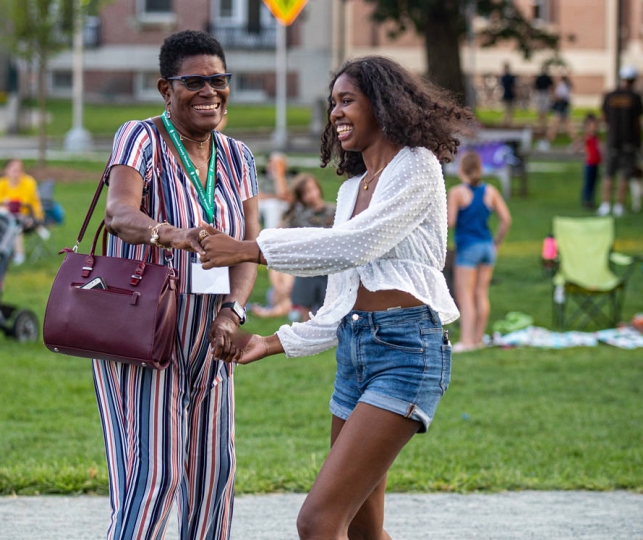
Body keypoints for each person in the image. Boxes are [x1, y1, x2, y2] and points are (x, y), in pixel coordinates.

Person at [199, 56, 472, 540]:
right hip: (355, 354)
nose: (336, 113)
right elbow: (339, 306)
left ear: (382, 104)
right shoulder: (350, 192)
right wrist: (272, 341)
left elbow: (355, 244)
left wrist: (251, 248)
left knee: (318, 521)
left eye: (347, 101)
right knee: (364, 531)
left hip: (407, 354)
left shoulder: (417, 168)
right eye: (332, 103)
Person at [97, 30, 259, 540]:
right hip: (147, 332)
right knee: (154, 477)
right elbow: (118, 212)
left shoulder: (238, 157)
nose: (210, 91)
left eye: (219, 80)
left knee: (214, 479)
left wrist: (234, 312)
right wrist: (173, 235)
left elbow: (250, 247)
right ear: (166, 89)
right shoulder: (141, 137)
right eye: (194, 82)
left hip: (212, 336)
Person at [447, 152, 512, 352]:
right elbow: (506, 220)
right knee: (481, 294)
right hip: (487, 247)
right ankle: (478, 339)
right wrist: (496, 243)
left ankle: (467, 341)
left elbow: (450, 222)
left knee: (464, 295)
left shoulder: (457, 192)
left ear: (461, 169)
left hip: (468, 248)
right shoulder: (490, 191)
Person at [281, 173, 336, 322]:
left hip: (329, 268)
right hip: (307, 269)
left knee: (330, 308)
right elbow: (284, 237)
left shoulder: (334, 211)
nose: (312, 194)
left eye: (313, 189)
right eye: (306, 193)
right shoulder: (298, 217)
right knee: (305, 308)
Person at [598, 65, 643, 217]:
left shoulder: (610, 96)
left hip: (612, 140)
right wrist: (639, 141)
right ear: (633, 80)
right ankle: (619, 206)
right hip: (629, 141)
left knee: (609, 174)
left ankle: (605, 205)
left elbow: (604, 118)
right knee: (624, 174)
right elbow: (638, 122)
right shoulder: (635, 97)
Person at [252, 152, 294, 318]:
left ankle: (272, 237)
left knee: (274, 205)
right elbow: (257, 198)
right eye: (271, 163)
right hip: (269, 216)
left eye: (277, 163)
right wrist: (276, 197)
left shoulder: (291, 179)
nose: (272, 166)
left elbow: (286, 196)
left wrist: (279, 175)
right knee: (271, 205)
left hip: (285, 223)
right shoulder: (261, 180)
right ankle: (272, 237)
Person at [0, 159, 46, 265]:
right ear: (6, 170)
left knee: (15, 223)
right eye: (14, 170)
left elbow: (24, 203)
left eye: (20, 170)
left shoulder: (29, 182)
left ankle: (19, 254)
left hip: (30, 217)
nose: (17, 173)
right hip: (7, 216)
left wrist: (8, 202)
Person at [546, 75, 577, 147]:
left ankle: (548, 141)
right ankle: (576, 141)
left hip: (561, 109)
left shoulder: (562, 85)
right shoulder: (564, 85)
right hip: (563, 108)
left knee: (554, 126)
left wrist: (553, 94)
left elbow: (560, 96)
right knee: (567, 126)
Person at [580, 113, 602, 209]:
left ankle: (591, 200)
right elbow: (578, 145)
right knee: (588, 183)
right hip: (589, 163)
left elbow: (601, 149)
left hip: (596, 163)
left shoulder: (597, 138)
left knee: (593, 183)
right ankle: (586, 200)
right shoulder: (587, 137)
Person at [534, 64, 554, 133]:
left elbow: (535, 86)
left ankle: (542, 126)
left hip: (542, 94)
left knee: (542, 111)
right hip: (543, 94)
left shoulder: (542, 77)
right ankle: (542, 126)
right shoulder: (545, 77)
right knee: (542, 111)